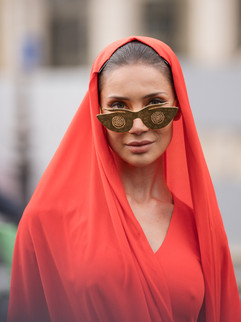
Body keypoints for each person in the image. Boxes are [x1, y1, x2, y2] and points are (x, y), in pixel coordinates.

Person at [8, 36, 241, 321]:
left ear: (179, 107)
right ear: (97, 114)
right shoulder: (45, 222)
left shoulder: (198, 226)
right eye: (118, 106)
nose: (138, 126)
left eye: (155, 103)